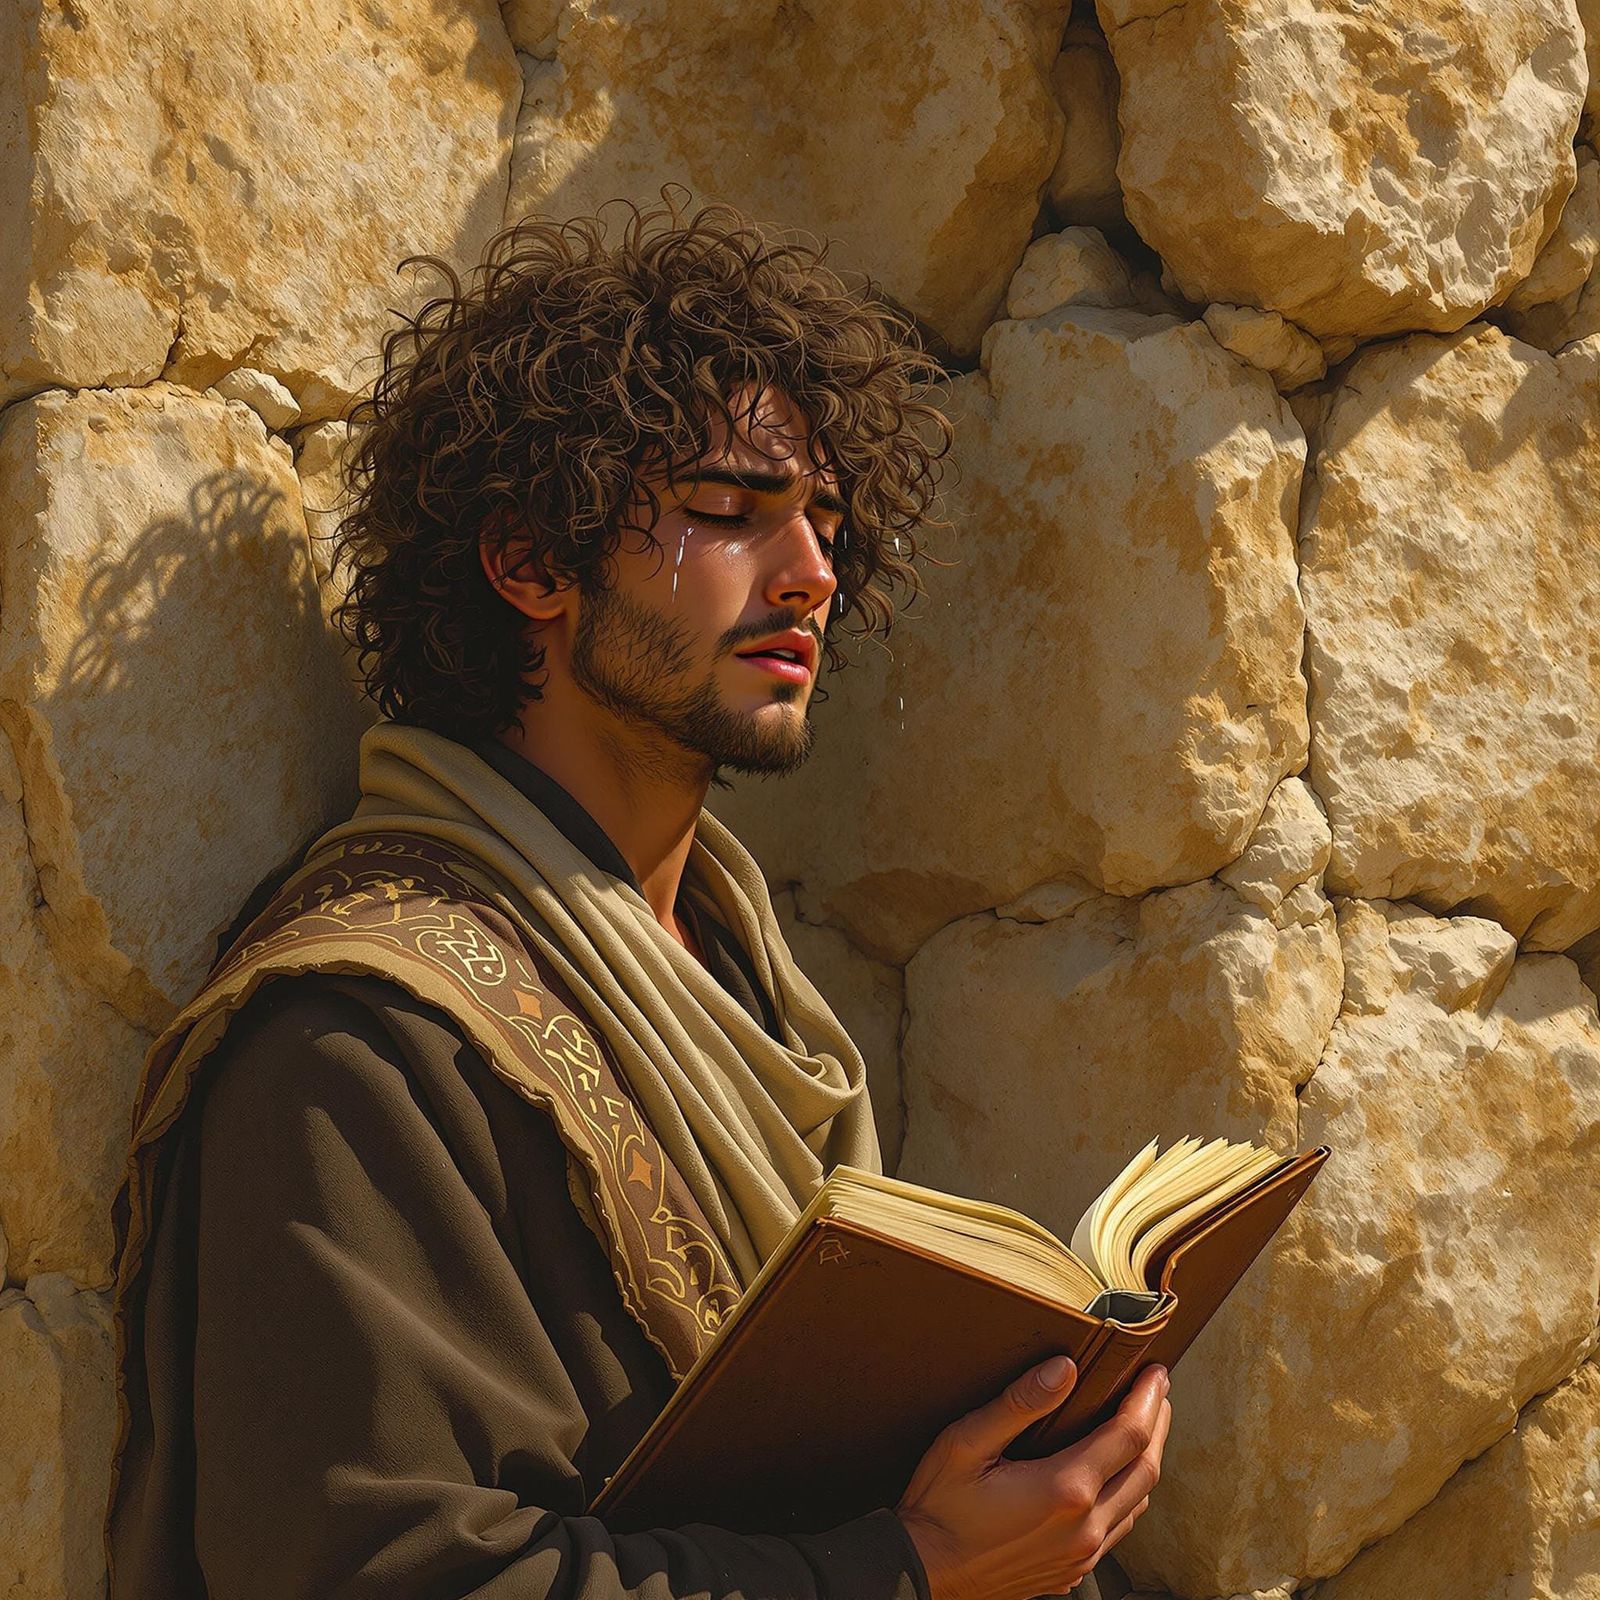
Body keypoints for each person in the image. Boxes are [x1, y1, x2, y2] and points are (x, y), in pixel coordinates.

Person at [103, 193, 1172, 1600]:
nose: (809, 577)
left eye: (828, 525)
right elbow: (378, 1573)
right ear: (530, 563)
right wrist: (907, 1572)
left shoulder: (741, 991)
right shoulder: (359, 1045)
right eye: (729, 513)